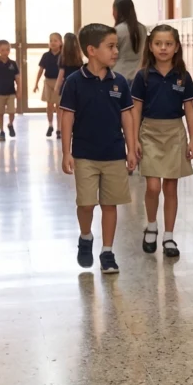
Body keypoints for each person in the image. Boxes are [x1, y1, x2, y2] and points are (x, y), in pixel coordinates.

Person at [59, 24, 138, 274]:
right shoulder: (74, 82)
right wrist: (66, 152)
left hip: (114, 152)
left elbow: (128, 117)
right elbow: (67, 118)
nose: (116, 51)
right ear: (92, 50)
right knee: (85, 204)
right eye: (111, 46)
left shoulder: (121, 82)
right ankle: (85, 236)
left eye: (116, 46)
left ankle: (107, 251)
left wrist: (131, 147)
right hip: (84, 154)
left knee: (110, 204)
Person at [131, 24, 193, 259]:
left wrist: (192, 139)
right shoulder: (142, 76)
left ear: (176, 47)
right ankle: (151, 225)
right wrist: (134, 139)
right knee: (153, 187)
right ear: (150, 46)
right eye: (158, 43)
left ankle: (169, 235)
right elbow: (135, 110)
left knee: (170, 187)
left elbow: (189, 109)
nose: (163, 48)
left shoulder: (182, 76)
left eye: (168, 44)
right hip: (149, 132)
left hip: (174, 133)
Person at [33, 32, 63, 138]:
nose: (53, 43)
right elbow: (41, 70)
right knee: (49, 105)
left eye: (55, 40)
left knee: (59, 106)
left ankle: (59, 128)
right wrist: (36, 83)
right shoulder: (46, 56)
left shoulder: (63, 56)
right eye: (51, 41)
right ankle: (50, 125)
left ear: (60, 42)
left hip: (60, 83)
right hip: (48, 82)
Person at [55, 32, 85, 139]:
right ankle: (76, 129)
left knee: (64, 111)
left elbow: (61, 75)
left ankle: (61, 130)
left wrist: (56, 88)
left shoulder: (63, 58)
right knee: (76, 110)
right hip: (78, 87)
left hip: (66, 87)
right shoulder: (79, 58)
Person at [0, 40, 21, 142]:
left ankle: (10, 124)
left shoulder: (13, 64)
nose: (5, 52)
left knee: (12, 111)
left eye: (7, 50)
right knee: (0, 113)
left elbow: (18, 78)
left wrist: (19, 90)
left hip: (11, 92)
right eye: (2, 50)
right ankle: (1, 131)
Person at [113, 0, 147, 83]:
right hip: (137, 74)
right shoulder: (142, 28)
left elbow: (112, 54)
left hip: (119, 73)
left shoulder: (117, 30)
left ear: (118, 11)